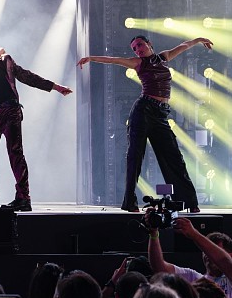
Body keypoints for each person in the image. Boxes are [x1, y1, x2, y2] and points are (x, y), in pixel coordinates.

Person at [77, 35, 211, 212]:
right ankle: (130, 202)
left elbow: (183, 45)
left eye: (140, 45)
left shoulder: (164, 57)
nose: (138, 50)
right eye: (134, 48)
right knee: (135, 156)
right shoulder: (137, 63)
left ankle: (189, 202)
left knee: (175, 158)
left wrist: (199, 40)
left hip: (161, 115)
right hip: (143, 111)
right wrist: (91, 58)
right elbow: (113, 60)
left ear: (149, 44)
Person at [0, 37, 72, 211]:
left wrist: (55, 87)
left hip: (10, 110)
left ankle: (23, 198)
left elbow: (27, 76)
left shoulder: (6, 61)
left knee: (16, 153)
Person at [147, 215, 232, 298]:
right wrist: (153, 234)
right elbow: (160, 268)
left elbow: (224, 261)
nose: (209, 255)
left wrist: (193, 234)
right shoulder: (194, 278)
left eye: (213, 251)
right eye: (206, 251)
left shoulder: (229, 282)